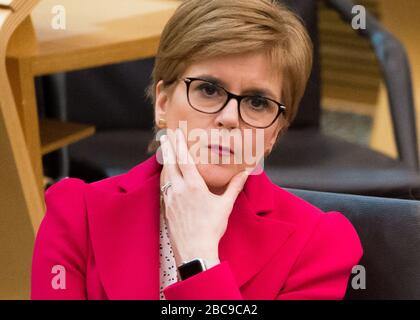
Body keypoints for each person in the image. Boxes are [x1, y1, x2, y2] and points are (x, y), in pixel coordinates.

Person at [31, 0, 363, 300]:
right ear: (162, 102)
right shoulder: (75, 215)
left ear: (275, 132)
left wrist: (198, 256)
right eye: (208, 89)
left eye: (258, 102)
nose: (229, 118)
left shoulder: (320, 246)